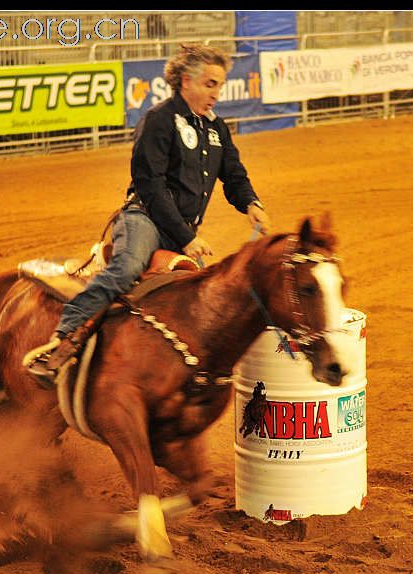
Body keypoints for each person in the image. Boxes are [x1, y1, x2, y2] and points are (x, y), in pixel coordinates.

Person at [23, 43, 272, 388]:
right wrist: (187, 238)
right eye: (210, 84)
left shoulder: (216, 129)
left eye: (220, 84)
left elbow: (233, 174)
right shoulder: (159, 120)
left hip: (182, 230)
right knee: (126, 268)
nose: (217, 92)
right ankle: (63, 341)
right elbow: (149, 185)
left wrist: (251, 203)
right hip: (145, 220)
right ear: (186, 81)